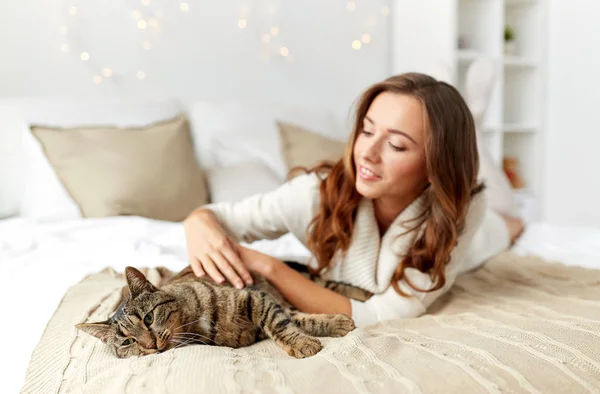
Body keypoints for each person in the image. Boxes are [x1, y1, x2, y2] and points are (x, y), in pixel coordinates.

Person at [183, 73, 524, 328]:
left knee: (510, 224)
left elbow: (378, 315)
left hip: (477, 236)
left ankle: (472, 125)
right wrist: (196, 221)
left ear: (435, 166)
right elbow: (211, 218)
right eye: (367, 130)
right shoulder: (311, 195)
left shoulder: (460, 211)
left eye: (397, 145)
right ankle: (469, 120)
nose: (368, 154)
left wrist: (270, 268)